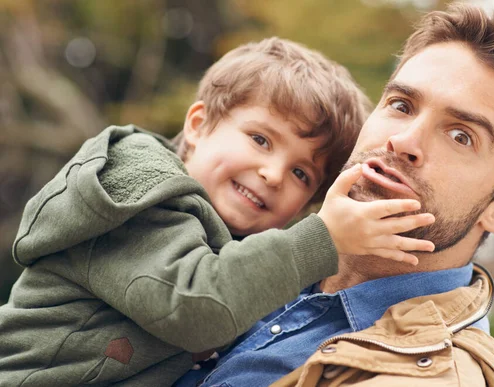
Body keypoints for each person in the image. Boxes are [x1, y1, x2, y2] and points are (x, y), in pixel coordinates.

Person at [0, 38, 437, 386]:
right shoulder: (144, 197)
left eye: (301, 174)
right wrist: (324, 238)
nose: (272, 173)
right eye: (261, 140)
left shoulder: (236, 248)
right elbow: (194, 308)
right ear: (197, 124)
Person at [174, 4, 494, 387]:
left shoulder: (426, 377)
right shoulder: (244, 233)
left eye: (461, 135)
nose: (404, 141)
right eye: (401, 104)